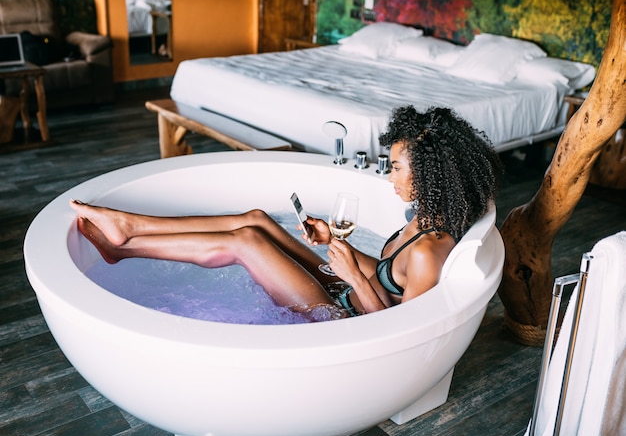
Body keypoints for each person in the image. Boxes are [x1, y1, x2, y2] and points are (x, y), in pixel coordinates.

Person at [70, 106, 503, 320]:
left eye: (396, 168)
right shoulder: (426, 217)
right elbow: (390, 273)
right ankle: (130, 226)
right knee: (258, 217)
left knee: (247, 241)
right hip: (347, 287)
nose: (389, 177)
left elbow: (397, 330)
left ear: (429, 174)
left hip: (342, 317)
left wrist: (351, 275)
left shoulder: (431, 251)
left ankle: (124, 249)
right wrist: (333, 244)